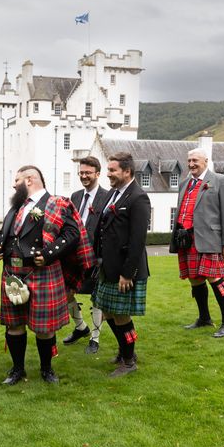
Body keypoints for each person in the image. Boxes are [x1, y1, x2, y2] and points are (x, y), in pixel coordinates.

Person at [0, 165, 94, 384]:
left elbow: (72, 233)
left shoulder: (55, 203)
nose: (13, 184)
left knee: (44, 327)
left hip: (42, 271)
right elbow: (5, 234)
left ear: (29, 180)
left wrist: (47, 254)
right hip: (13, 272)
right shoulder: (16, 206)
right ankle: (18, 369)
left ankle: (46, 369)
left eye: (16, 180)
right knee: (14, 324)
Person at [94, 152, 150, 377]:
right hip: (108, 265)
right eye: (108, 170)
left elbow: (138, 240)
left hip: (125, 269)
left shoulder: (138, 197)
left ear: (127, 171)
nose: (108, 174)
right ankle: (124, 350)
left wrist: (128, 273)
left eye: (112, 170)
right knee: (107, 311)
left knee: (121, 315)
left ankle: (129, 361)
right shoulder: (113, 194)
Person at [170, 148, 224, 338]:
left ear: (206, 161)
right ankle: (204, 318)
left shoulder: (219, 181)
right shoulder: (184, 183)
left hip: (209, 238)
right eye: (189, 160)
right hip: (186, 239)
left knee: (215, 278)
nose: (191, 164)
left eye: (195, 160)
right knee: (195, 279)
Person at [63, 156, 109, 354]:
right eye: (81, 173)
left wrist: (102, 258)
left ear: (97, 174)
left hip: (96, 256)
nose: (84, 176)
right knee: (67, 294)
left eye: (88, 173)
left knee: (96, 298)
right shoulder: (75, 196)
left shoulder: (107, 197)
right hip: (74, 257)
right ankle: (81, 327)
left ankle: (95, 338)